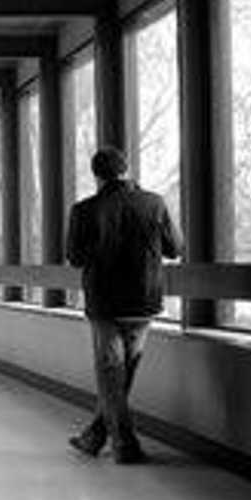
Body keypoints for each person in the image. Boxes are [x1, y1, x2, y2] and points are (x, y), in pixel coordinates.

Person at [66, 147, 181, 464]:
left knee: (111, 375)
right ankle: (94, 437)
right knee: (120, 375)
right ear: (126, 169)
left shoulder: (84, 210)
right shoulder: (154, 203)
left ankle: (125, 446)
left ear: (97, 176)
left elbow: (74, 258)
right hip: (144, 302)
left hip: (104, 304)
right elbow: (175, 248)